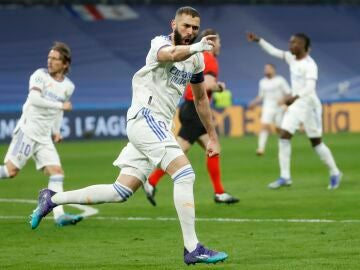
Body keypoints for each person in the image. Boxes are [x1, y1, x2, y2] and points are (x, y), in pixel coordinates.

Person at [30, 7, 228, 265]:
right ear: (174, 24)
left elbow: (201, 99)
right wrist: (197, 47)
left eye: (194, 27)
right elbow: (170, 54)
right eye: (185, 26)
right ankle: (192, 248)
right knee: (185, 174)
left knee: (120, 191)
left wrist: (212, 136)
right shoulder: (160, 43)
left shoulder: (196, 58)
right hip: (145, 117)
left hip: (157, 126)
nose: (190, 31)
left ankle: (52, 199)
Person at [144, 28, 239, 206]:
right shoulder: (209, 60)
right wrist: (220, 87)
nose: (219, 46)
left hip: (190, 108)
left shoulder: (198, 57)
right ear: (212, 42)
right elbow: (209, 85)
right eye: (218, 42)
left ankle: (219, 192)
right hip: (195, 110)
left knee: (213, 149)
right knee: (178, 151)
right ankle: (151, 181)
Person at [0, 42, 82, 226]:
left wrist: (56, 130)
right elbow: (34, 99)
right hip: (27, 132)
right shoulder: (39, 76)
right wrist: (61, 105)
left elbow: (58, 112)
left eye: (55, 59)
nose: (50, 61)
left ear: (65, 64)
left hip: (44, 137)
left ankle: (59, 216)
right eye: (49, 58)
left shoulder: (68, 86)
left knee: (57, 173)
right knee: (9, 171)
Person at [247, 32, 342, 190]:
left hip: (309, 105)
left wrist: (294, 96)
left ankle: (335, 172)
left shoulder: (310, 65)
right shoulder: (291, 58)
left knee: (316, 143)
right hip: (297, 105)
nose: (290, 45)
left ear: (303, 46)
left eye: (294, 43)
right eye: (290, 42)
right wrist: (259, 40)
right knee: (284, 137)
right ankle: (285, 177)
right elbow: (273, 51)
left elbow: (310, 87)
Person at [248, 63, 291, 156]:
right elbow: (261, 96)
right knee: (264, 126)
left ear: (273, 70)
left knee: (279, 129)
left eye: (268, 69)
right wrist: (253, 102)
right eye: (265, 69)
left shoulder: (280, 80)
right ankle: (261, 148)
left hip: (279, 107)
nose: (266, 70)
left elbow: (288, 93)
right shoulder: (262, 82)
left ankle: (283, 147)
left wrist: (283, 100)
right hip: (268, 107)